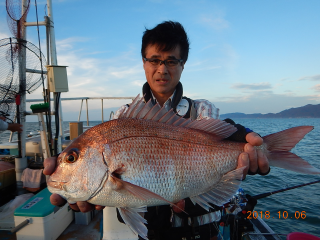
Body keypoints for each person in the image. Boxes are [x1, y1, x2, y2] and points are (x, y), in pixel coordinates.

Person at [44, 21, 269, 240]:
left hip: (202, 232)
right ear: (143, 62)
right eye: (154, 60)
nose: (162, 69)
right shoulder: (121, 117)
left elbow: (219, 134)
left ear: (183, 64)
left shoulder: (201, 109)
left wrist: (241, 136)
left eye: (171, 61)